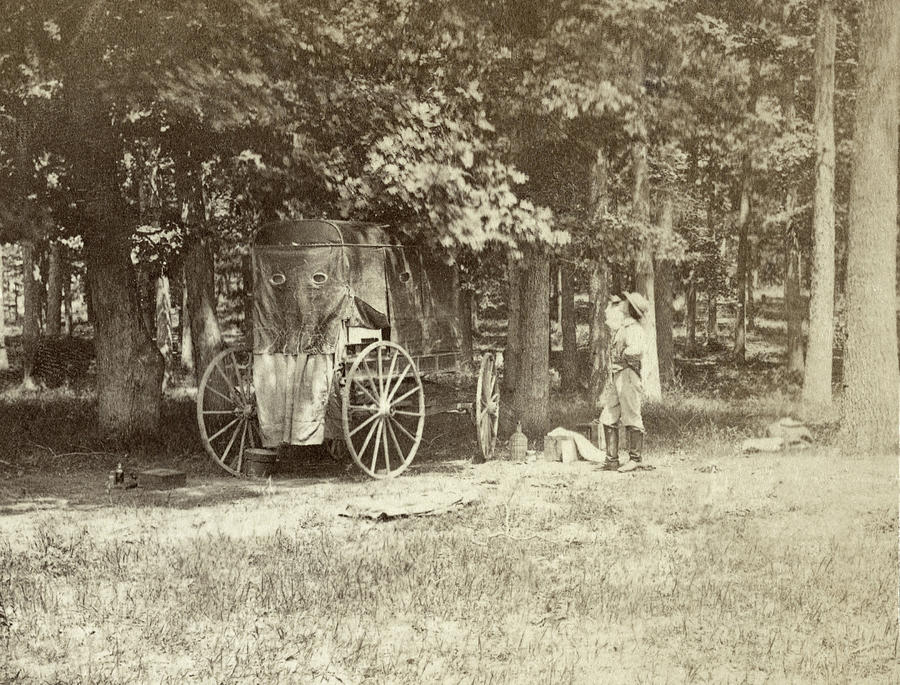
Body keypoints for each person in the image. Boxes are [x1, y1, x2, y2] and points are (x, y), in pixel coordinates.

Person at [598, 291, 650, 472]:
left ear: (631, 309)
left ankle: (635, 459)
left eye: (626, 302)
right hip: (618, 375)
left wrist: (624, 354)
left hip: (628, 375)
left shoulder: (634, 328)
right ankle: (611, 459)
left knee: (631, 414)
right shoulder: (623, 326)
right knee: (608, 414)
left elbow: (637, 350)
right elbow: (609, 318)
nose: (623, 302)